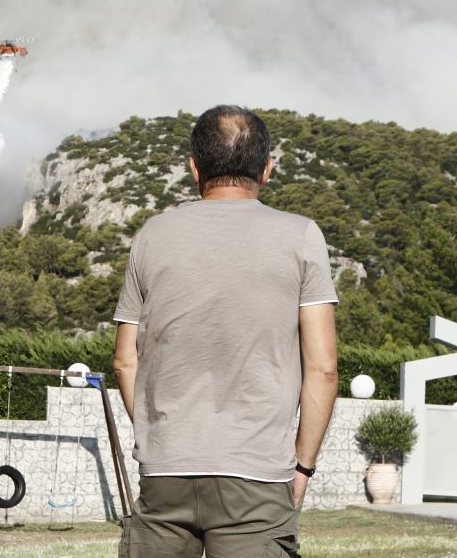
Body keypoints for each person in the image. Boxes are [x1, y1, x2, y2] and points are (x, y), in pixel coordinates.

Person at [113, 105, 339, 558]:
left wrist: (160, 437)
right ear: (267, 169)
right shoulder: (302, 236)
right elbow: (323, 368)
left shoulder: (152, 235)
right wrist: (303, 467)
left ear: (194, 168)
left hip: (165, 475)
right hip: (256, 479)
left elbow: (124, 361)